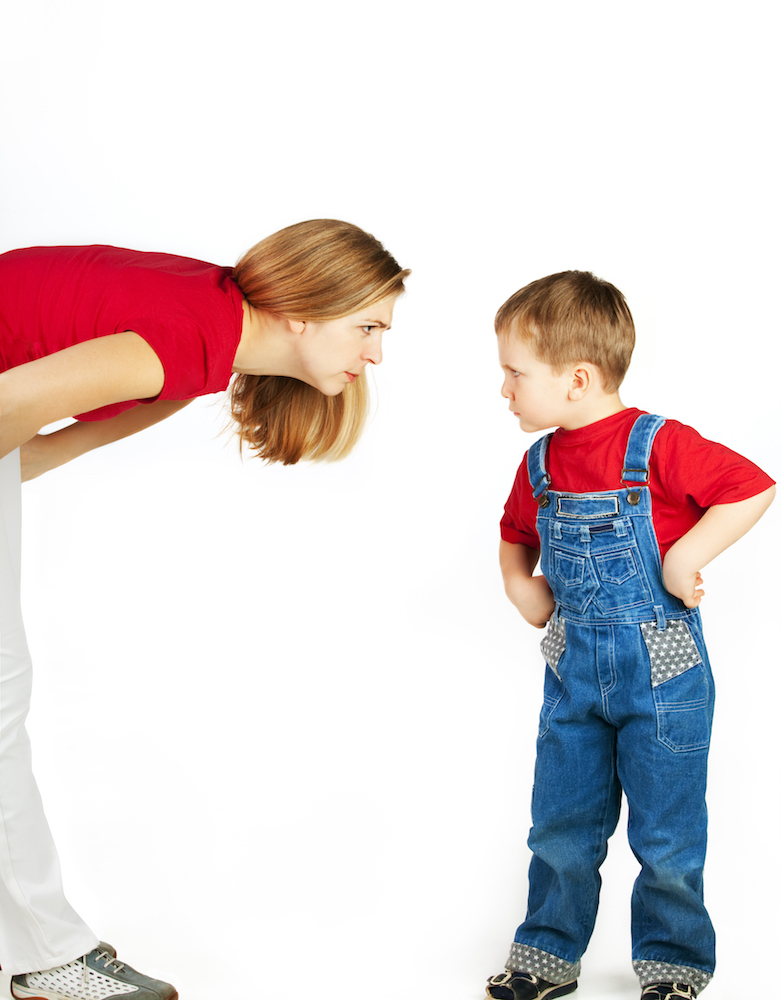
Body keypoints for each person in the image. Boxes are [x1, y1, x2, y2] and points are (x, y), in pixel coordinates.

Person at [0, 220, 409, 1000]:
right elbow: (10, 402)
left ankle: (40, 948)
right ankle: (47, 957)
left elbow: (48, 441)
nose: (376, 354)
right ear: (302, 311)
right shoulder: (188, 336)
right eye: (367, 327)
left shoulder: (205, 340)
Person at [485, 272, 774, 1000]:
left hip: (663, 669)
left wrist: (683, 556)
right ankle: (545, 957)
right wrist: (523, 587)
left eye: (514, 373)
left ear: (576, 379)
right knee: (559, 826)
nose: (504, 389)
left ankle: (673, 965)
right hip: (572, 674)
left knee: (667, 835)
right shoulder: (540, 463)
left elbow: (752, 488)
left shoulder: (660, 445)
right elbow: (514, 534)